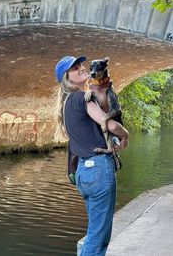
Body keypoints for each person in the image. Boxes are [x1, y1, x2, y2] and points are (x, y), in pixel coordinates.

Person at [54, 56, 129, 256]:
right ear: (66, 78)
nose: (81, 69)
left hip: (83, 174)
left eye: (80, 65)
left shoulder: (67, 103)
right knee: (98, 238)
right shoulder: (81, 97)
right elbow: (109, 124)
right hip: (98, 170)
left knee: (94, 234)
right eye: (74, 68)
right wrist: (125, 135)